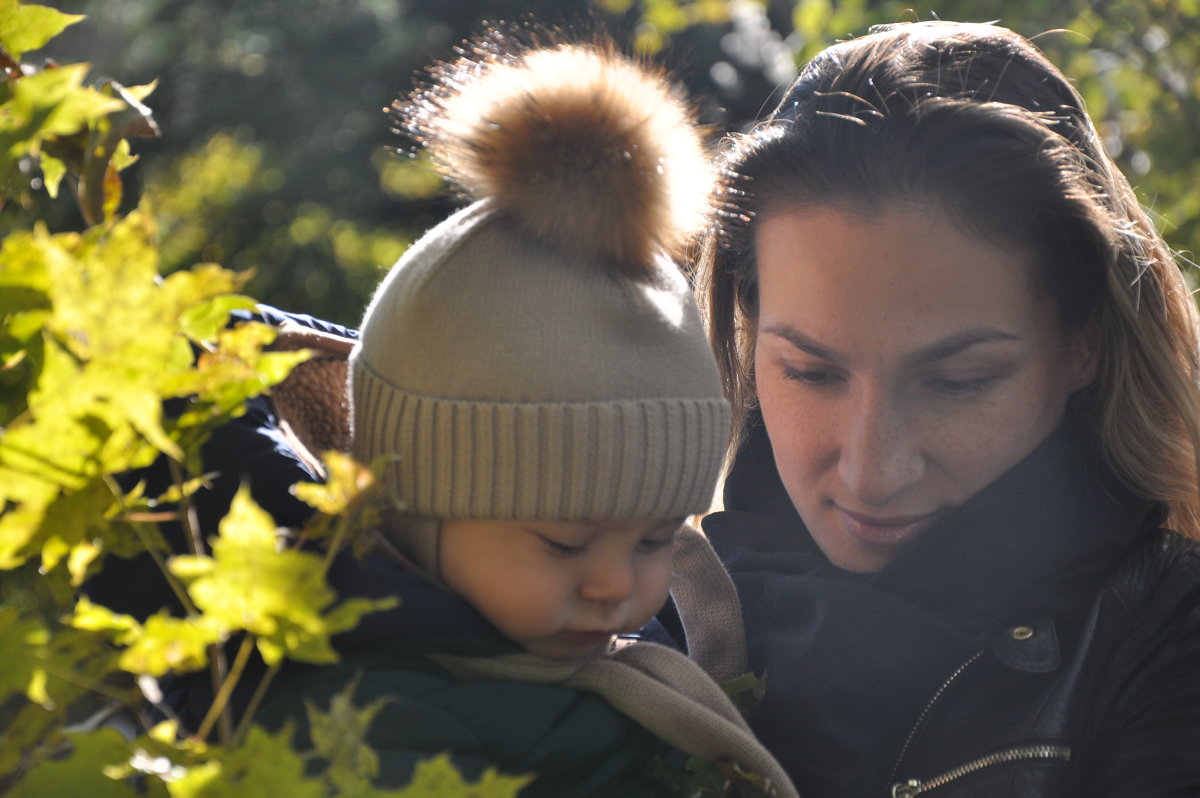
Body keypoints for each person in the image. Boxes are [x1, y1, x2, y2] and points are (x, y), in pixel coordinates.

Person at [248, 35, 797, 798]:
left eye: (653, 539)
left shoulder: (615, 660)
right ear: (410, 503)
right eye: (564, 542)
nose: (615, 584)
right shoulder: (370, 724)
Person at [693, 20, 1200, 798]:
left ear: (1085, 341)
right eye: (811, 372)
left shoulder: (1171, 647)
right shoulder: (639, 613)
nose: (873, 471)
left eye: (958, 381)